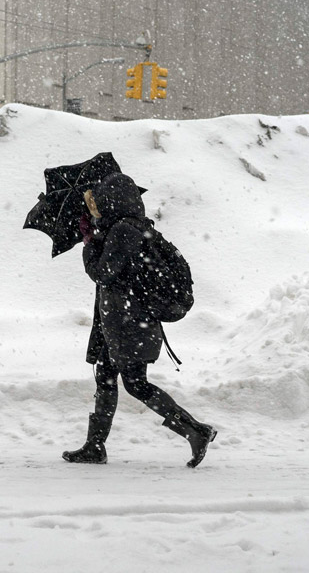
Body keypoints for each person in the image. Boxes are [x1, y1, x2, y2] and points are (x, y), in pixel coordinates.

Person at [62, 171, 217, 468]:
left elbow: (103, 273)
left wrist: (89, 242)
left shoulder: (124, 231)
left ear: (112, 202)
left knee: (136, 384)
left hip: (129, 323)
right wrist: (96, 234)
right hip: (122, 321)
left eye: (99, 203)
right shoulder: (129, 228)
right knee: (106, 378)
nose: (96, 209)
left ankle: (195, 430)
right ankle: (95, 447)